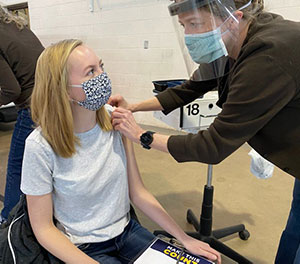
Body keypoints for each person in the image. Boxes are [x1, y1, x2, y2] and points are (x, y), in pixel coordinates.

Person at [109, 0, 300, 263]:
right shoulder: (230, 41)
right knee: (295, 231)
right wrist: (134, 106)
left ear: (234, 17)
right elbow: (188, 89)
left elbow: (213, 146)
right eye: (184, 26)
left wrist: (143, 136)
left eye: (196, 24)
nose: (190, 35)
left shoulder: (268, 53)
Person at [20, 39, 221, 264]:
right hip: (82, 248)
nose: (102, 76)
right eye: (90, 72)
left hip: (126, 232)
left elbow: (137, 193)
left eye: (101, 66)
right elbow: (44, 229)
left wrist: (184, 239)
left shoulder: (114, 120)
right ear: (64, 89)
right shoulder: (40, 146)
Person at [0, 5, 44, 222]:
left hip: (33, 108)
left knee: (17, 166)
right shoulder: (19, 26)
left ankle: (7, 221)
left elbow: (11, 90)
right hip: (57, 99)